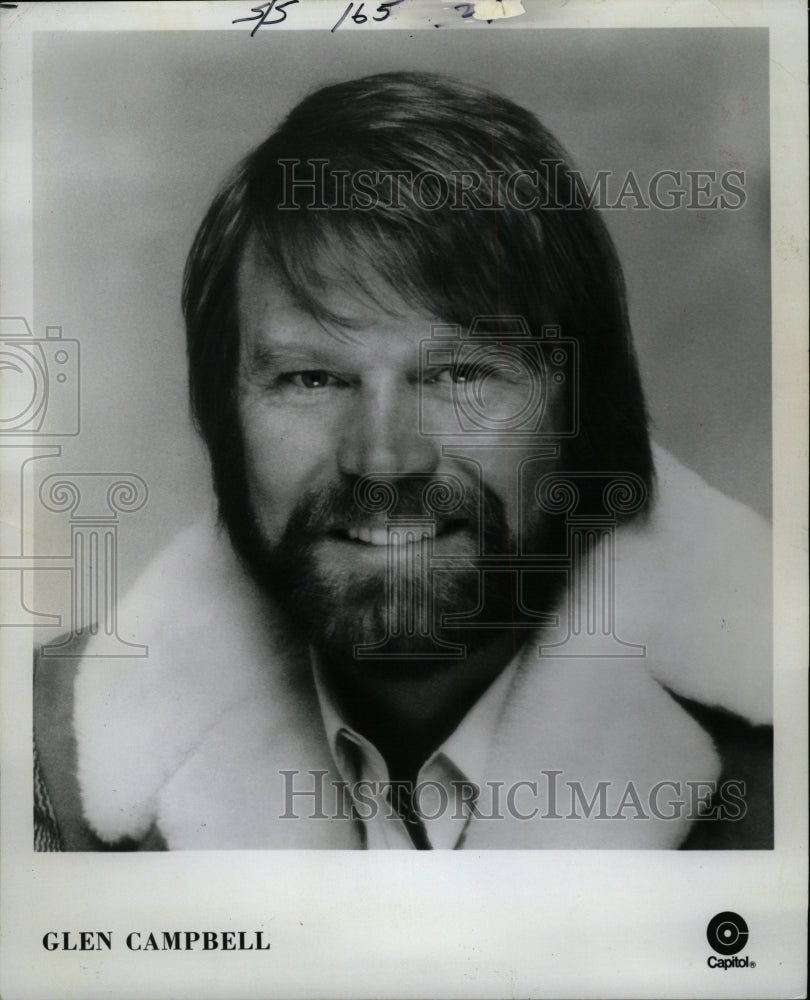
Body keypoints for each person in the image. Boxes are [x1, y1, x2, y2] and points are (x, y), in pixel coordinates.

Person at [33, 72, 772, 851]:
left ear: (580, 416)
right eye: (310, 378)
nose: (382, 460)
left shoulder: (782, 754)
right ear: (224, 421)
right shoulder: (43, 758)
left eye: (461, 374)